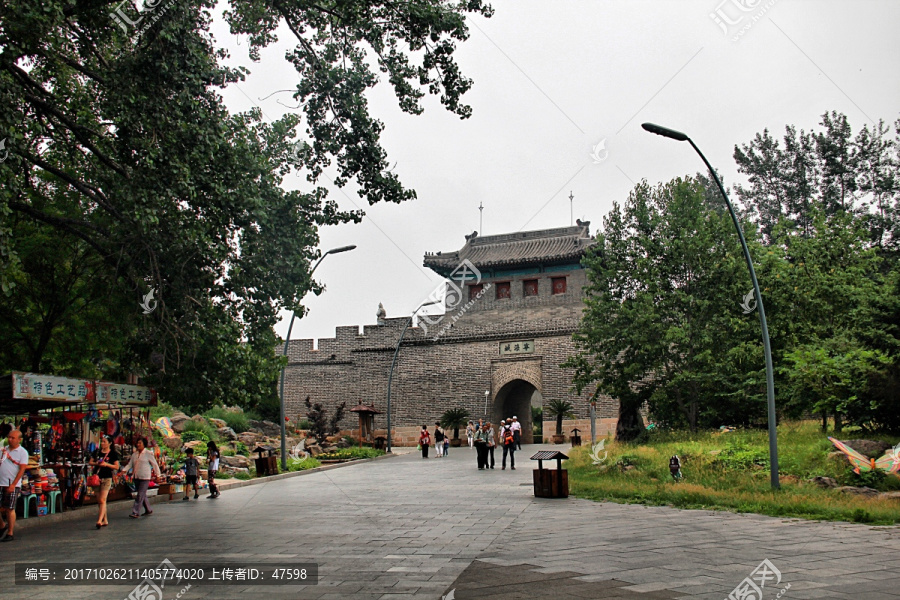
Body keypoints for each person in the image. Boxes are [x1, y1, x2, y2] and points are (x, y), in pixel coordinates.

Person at [120, 437, 160, 518]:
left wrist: (158, 475)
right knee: (142, 494)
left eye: (140, 443)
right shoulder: (134, 454)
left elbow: (154, 464)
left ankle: (135, 511)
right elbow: (130, 464)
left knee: (140, 494)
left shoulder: (148, 453)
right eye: (137, 443)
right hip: (136, 476)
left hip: (145, 477)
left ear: (144, 444)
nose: (138, 445)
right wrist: (124, 471)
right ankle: (148, 509)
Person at [0, 429, 28, 541]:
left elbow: (22, 469)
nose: (10, 439)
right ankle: (2, 525)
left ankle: (10, 532)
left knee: (9, 508)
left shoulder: (22, 452)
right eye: (9, 437)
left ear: (19, 440)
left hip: (11, 483)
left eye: (13, 438)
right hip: (1, 482)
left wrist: (14, 484)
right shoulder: (3, 450)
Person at [89, 435, 119, 528]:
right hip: (97, 478)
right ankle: (105, 519)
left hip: (107, 477)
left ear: (110, 443)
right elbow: (90, 462)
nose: (102, 443)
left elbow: (116, 466)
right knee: (100, 500)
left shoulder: (113, 454)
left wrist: (106, 464)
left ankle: (99, 520)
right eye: (102, 441)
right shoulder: (97, 452)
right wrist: (97, 463)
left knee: (102, 499)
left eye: (104, 442)